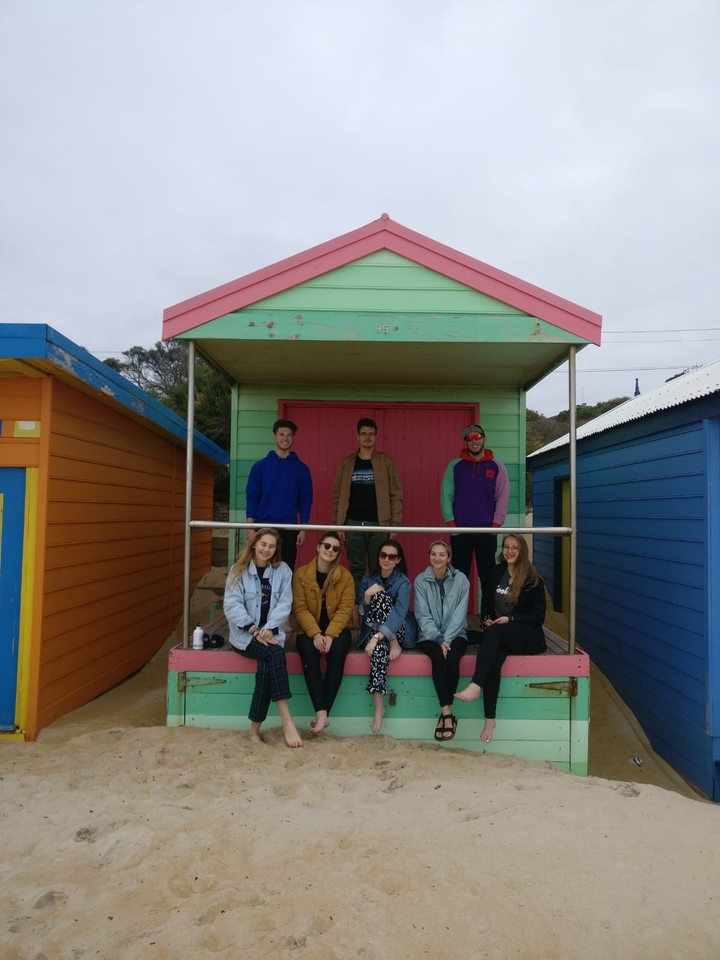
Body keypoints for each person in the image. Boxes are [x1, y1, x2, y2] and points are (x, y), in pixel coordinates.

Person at [455, 533, 546, 743]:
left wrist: (511, 617)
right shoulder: (497, 572)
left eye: (515, 547)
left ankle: (475, 685)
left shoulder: (533, 579)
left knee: (493, 635)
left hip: (525, 633)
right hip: (500, 631)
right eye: (506, 547)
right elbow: (486, 601)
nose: (510, 551)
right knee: (493, 661)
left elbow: (538, 616)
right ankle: (490, 719)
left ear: (522, 550)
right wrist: (487, 618)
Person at [223, 527, 302, 748]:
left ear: (276, 549)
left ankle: (254, 731)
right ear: (255, 544)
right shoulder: (238, 570)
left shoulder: (283, 571)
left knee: (268, 665)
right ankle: (287, 721)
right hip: (245, 636)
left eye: (272, 546)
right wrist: (254, 629)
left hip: (271, 634)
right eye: (263, 544)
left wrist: (268, 628)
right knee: (275, 654)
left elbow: (285, 604)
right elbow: (231, 605)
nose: (266, 549)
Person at [440, 423, 509, 617]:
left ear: (484, 439)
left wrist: (496, 525)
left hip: (486, 532)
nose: (473, 441)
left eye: (477, 437)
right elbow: (446, 494)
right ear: (466, 442)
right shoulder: (455, 466)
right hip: (461, 532)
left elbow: (502, 496)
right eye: (469, 438)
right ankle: (456, 620)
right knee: (458, 577)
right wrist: (451, 523)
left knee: (488, 577)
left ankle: (487, 619)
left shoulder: (497, 466)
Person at [332, 418, 403, 606]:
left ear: (376, 437)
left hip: (378, 525)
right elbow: (337, 496)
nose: (367, 437)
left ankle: (376, 609)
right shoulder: (347, 464)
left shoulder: (385, 462)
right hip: (352, 524)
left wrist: (394, 524)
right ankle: (357, 610)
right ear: (357, 436)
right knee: (356, 569)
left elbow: (396, 494)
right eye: (363, 433)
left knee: (378, 568)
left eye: (371, 433)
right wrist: (338, 525)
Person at [292, 531, 355, 735]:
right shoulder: (301, 575)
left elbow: (346, 610)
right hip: (310, 630)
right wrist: (316, 634)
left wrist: (329, 635)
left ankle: (321, 714)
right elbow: (299, 609)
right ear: (318, 547)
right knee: (308, 653)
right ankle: (322, 714)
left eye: (335, 548)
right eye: (327, 546)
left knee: (337, 653)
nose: (330, 551)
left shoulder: (345, 576)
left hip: (337, 631)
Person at [414, 540, 470, 742]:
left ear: (449, 558)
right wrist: (438, 639)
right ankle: (447, 714)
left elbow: (459, 614)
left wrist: (447, 639)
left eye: (442, 554)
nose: (437, 558)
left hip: (456, 634)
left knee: (453, 658)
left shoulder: (461, 579)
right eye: (433, 554)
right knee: (438, 658)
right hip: (429, 636)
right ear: (429, 556)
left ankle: (447, 713)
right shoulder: (421, 580)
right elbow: (422, 614)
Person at [357, 539, 413, 734]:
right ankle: (379, 707)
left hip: (398, 630)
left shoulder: (403, 582)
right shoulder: (368, 578)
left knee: (381, 598)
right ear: (378, 557)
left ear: (398, 560)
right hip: (373, 629)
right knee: (379, 653)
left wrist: (376, 637)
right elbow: (363, 613)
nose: (387, 559)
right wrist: (366, 597)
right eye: (383, 555)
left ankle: (392, 640)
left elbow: (400, 612)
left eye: (392, 557)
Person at [245, 419, 313, 571]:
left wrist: (303, 528)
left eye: (289, 435)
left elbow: (306, 500)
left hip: (289, 529)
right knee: (259, 570)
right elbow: (252, 496)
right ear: (274, 437)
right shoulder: (260, 467)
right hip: (262, 526)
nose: (285, 438)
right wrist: (249, 527)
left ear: (293, 438)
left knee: (285, 571)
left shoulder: (302, 469)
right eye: (281, 434)